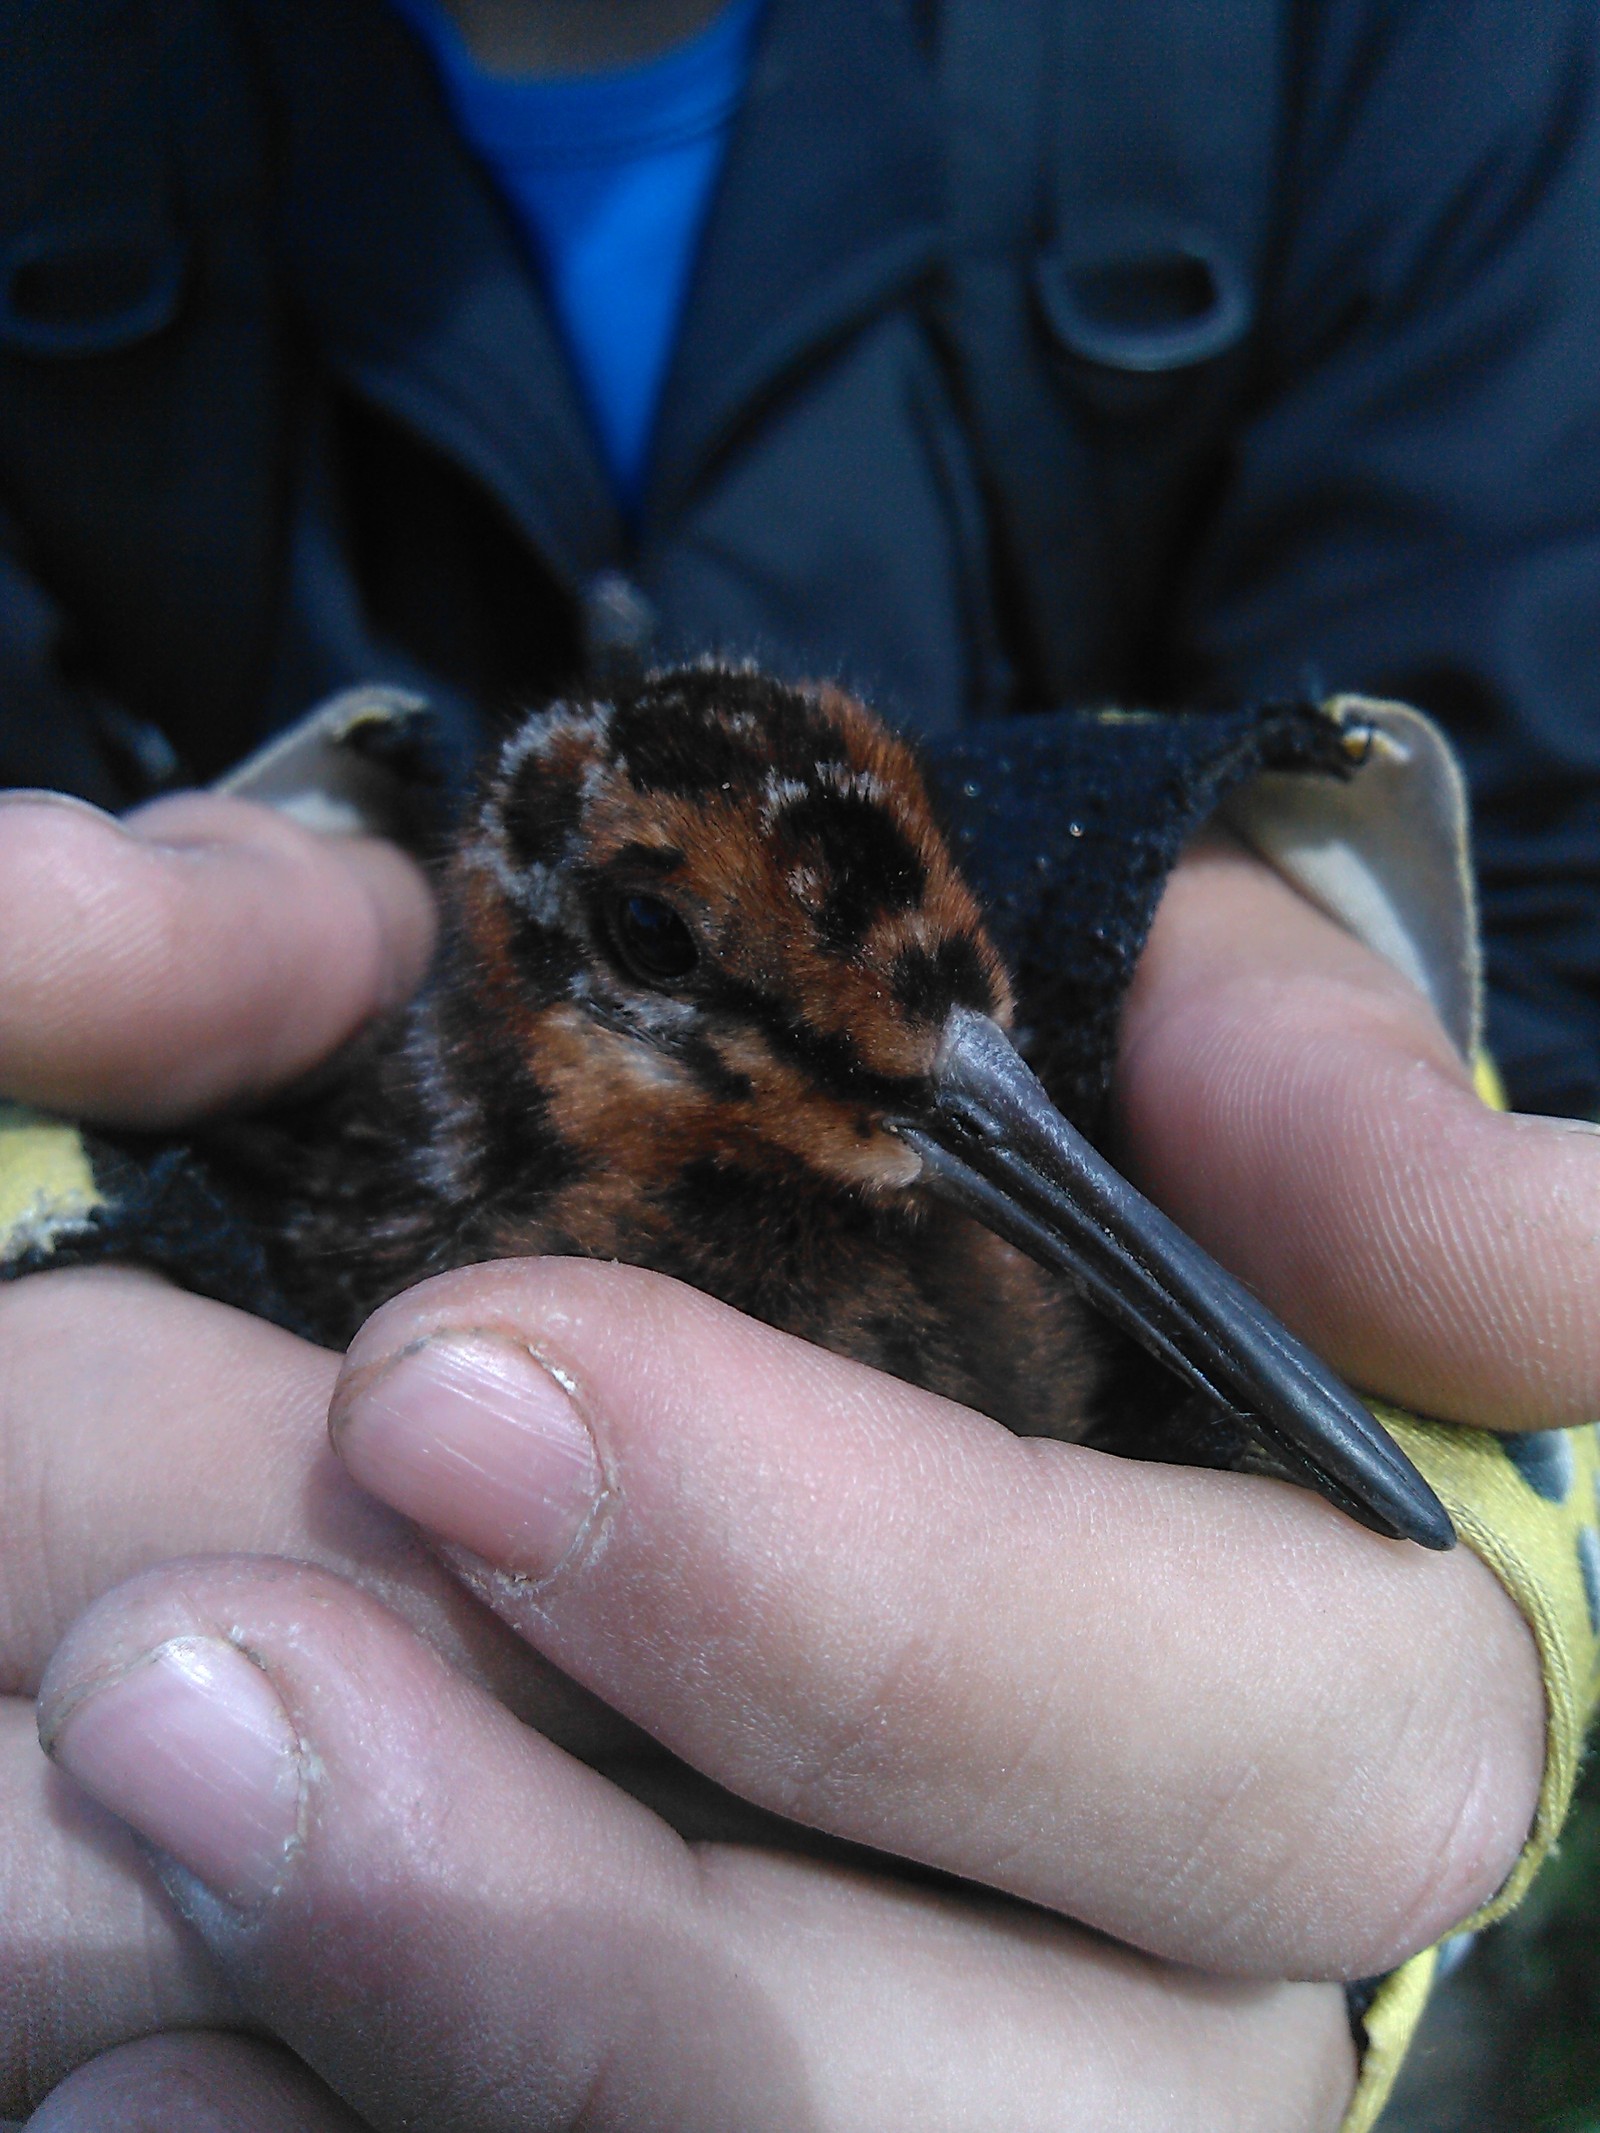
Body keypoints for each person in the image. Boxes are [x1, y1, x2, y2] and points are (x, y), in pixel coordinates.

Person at [2, 0, 1599, 2125]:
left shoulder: (1399, 55)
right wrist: (59, 1169)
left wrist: (1455, 1594)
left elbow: (1556, 915)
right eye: (662, 948)